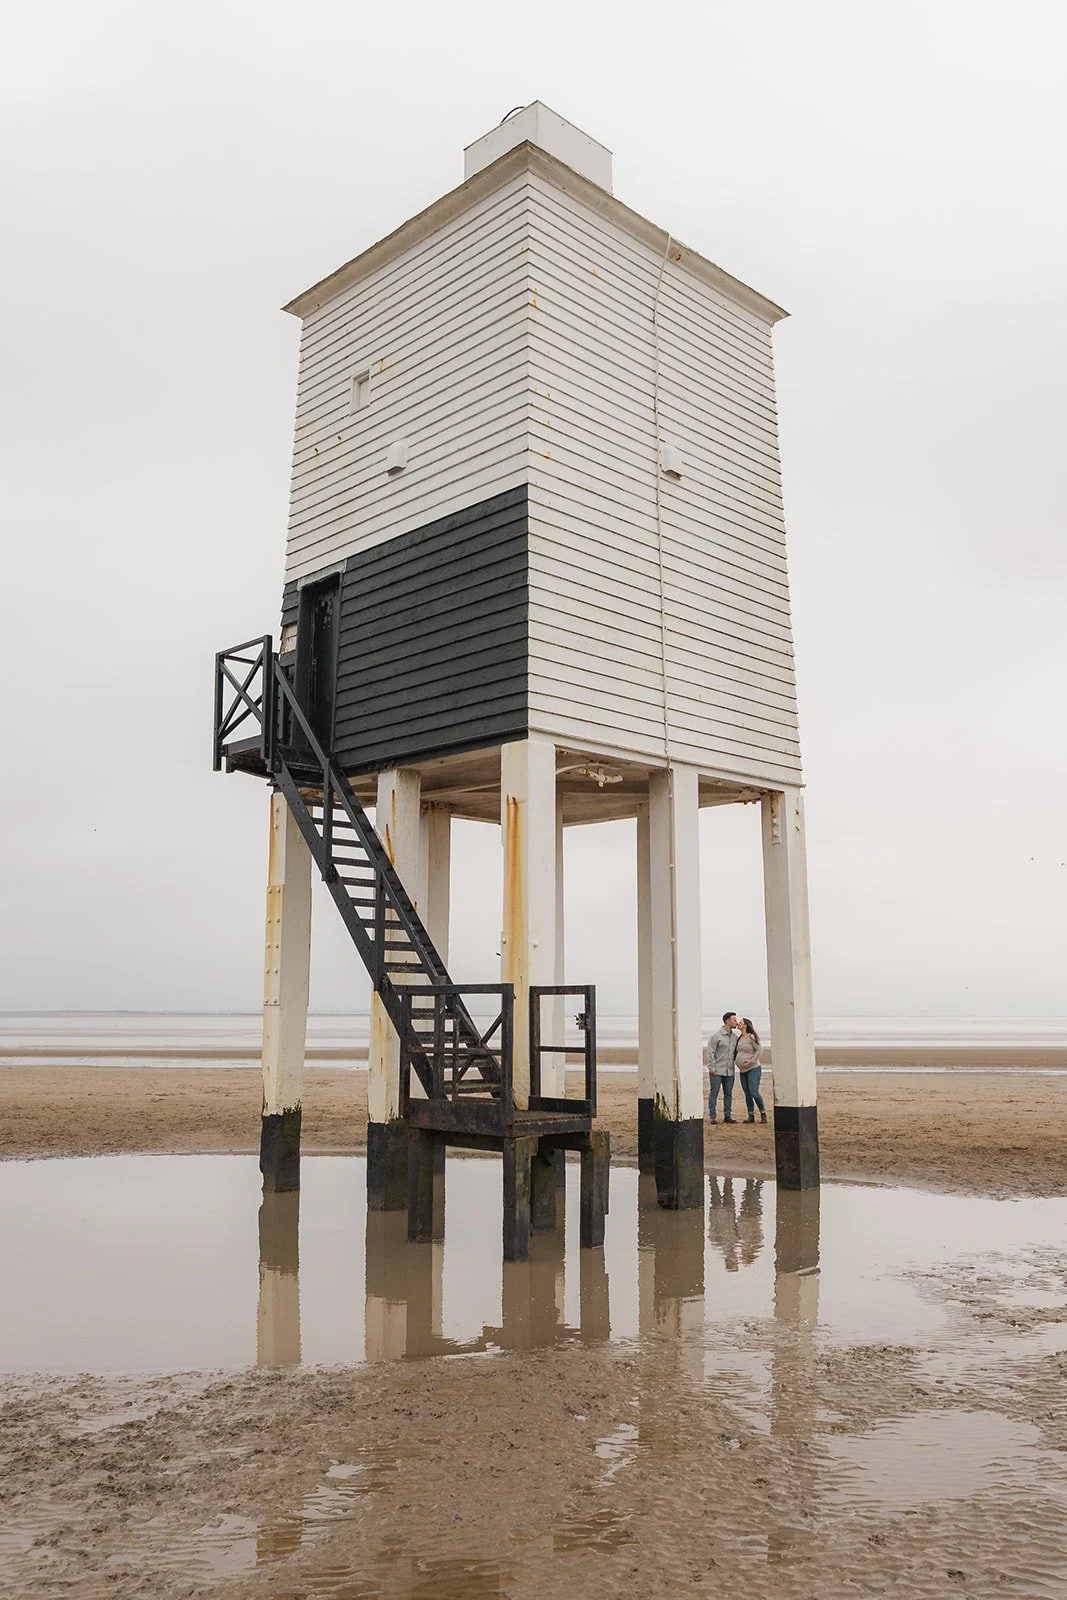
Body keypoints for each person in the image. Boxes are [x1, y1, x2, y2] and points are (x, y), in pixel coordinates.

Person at [705, 1012, 738, 1124]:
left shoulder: (735, 1037)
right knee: (714, 1092)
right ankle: (712, 1116)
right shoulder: (716, 1036)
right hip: (717, 1070)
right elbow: (710, 1052)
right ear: (727, 1021)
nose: (736, 1022)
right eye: (734, 1020)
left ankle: (727, 1116)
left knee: (728, 1093)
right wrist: (712, 1068)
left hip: (730, 1070)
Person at [736, 1017, 767, 1124]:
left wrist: (751, 1061)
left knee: (754, 1092)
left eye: (740, 1022)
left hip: (753, 1068)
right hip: (742, 1070)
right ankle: (751, 1115)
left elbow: (759, 1050)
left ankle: (763, 1113)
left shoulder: (751, 1037)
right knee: (747, 1093)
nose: (738, 1023)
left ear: (745, 1025)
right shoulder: (739, 1038)